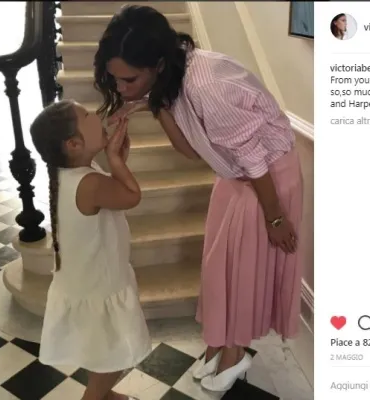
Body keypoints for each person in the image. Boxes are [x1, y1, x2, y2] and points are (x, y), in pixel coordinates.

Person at [93, 5, 304, 392]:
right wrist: (153, 105)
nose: (120, 88)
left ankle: (234, 353)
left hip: (267, 176)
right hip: (236, 173)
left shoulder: (206, 85)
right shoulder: (171, 78)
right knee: (217, 264)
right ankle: (218, 344)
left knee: (242, 269)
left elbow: (254, 157)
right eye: (115, 80)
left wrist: (274, 218)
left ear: (157, 63)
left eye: (128, 79)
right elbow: (191, 150)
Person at [30, 99, 151, 400]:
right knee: (115, 353)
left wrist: (116, 160)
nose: (97, 115)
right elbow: (131, 196)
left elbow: (111, 191)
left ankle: (103, 395)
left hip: (84, 281)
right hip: (100, 284)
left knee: (100, 349)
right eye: (87, 116)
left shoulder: (73, 174)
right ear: (74, 144)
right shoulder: (90, 183)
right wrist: (116, 161)